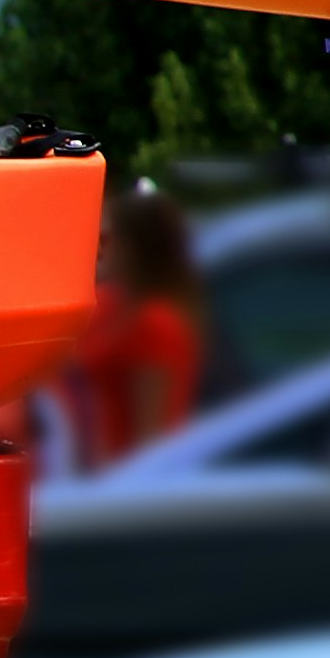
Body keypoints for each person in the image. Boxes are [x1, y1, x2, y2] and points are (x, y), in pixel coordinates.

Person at [56, 187, 207, 471]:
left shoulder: (158, 325)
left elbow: (151, 434)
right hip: (80, 471)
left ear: (138, 247)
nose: (100, 248)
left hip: (123, 485)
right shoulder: (111, 302)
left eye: (110, 240)